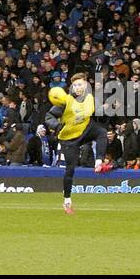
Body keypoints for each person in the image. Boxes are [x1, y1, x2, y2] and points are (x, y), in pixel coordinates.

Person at [48, 73, 106, 215]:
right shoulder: (66, 100)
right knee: (70, 169)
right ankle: (67, 201)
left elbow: (97, 114)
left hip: (84, 130)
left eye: (80, 84)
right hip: (69, 138)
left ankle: (99, 163)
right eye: (75, 85)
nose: (78, 87)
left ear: (85, 85)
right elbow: (49, 116)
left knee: (102, 132)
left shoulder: (90, 98)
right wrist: (56, 126)